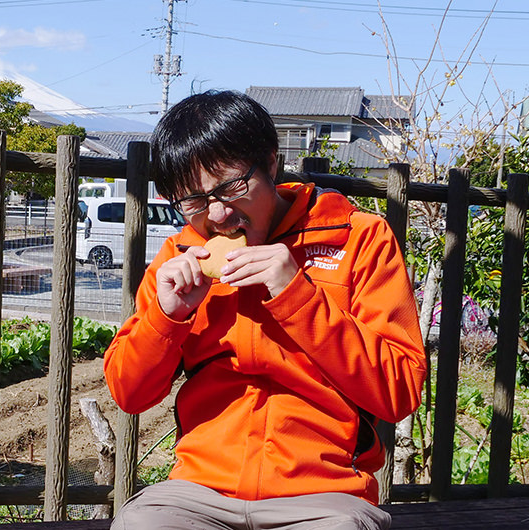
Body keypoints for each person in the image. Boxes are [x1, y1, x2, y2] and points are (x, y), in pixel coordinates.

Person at [103, 90, 426, 530]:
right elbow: (129, 393)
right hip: (198, 492)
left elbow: (399, 392)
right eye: (193, 201)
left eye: (232, 187)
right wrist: (167, 316)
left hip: (326, 496)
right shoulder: (180, 255)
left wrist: (297, 294)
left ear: (271, 164)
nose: (217, 215)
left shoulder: (357, 239)